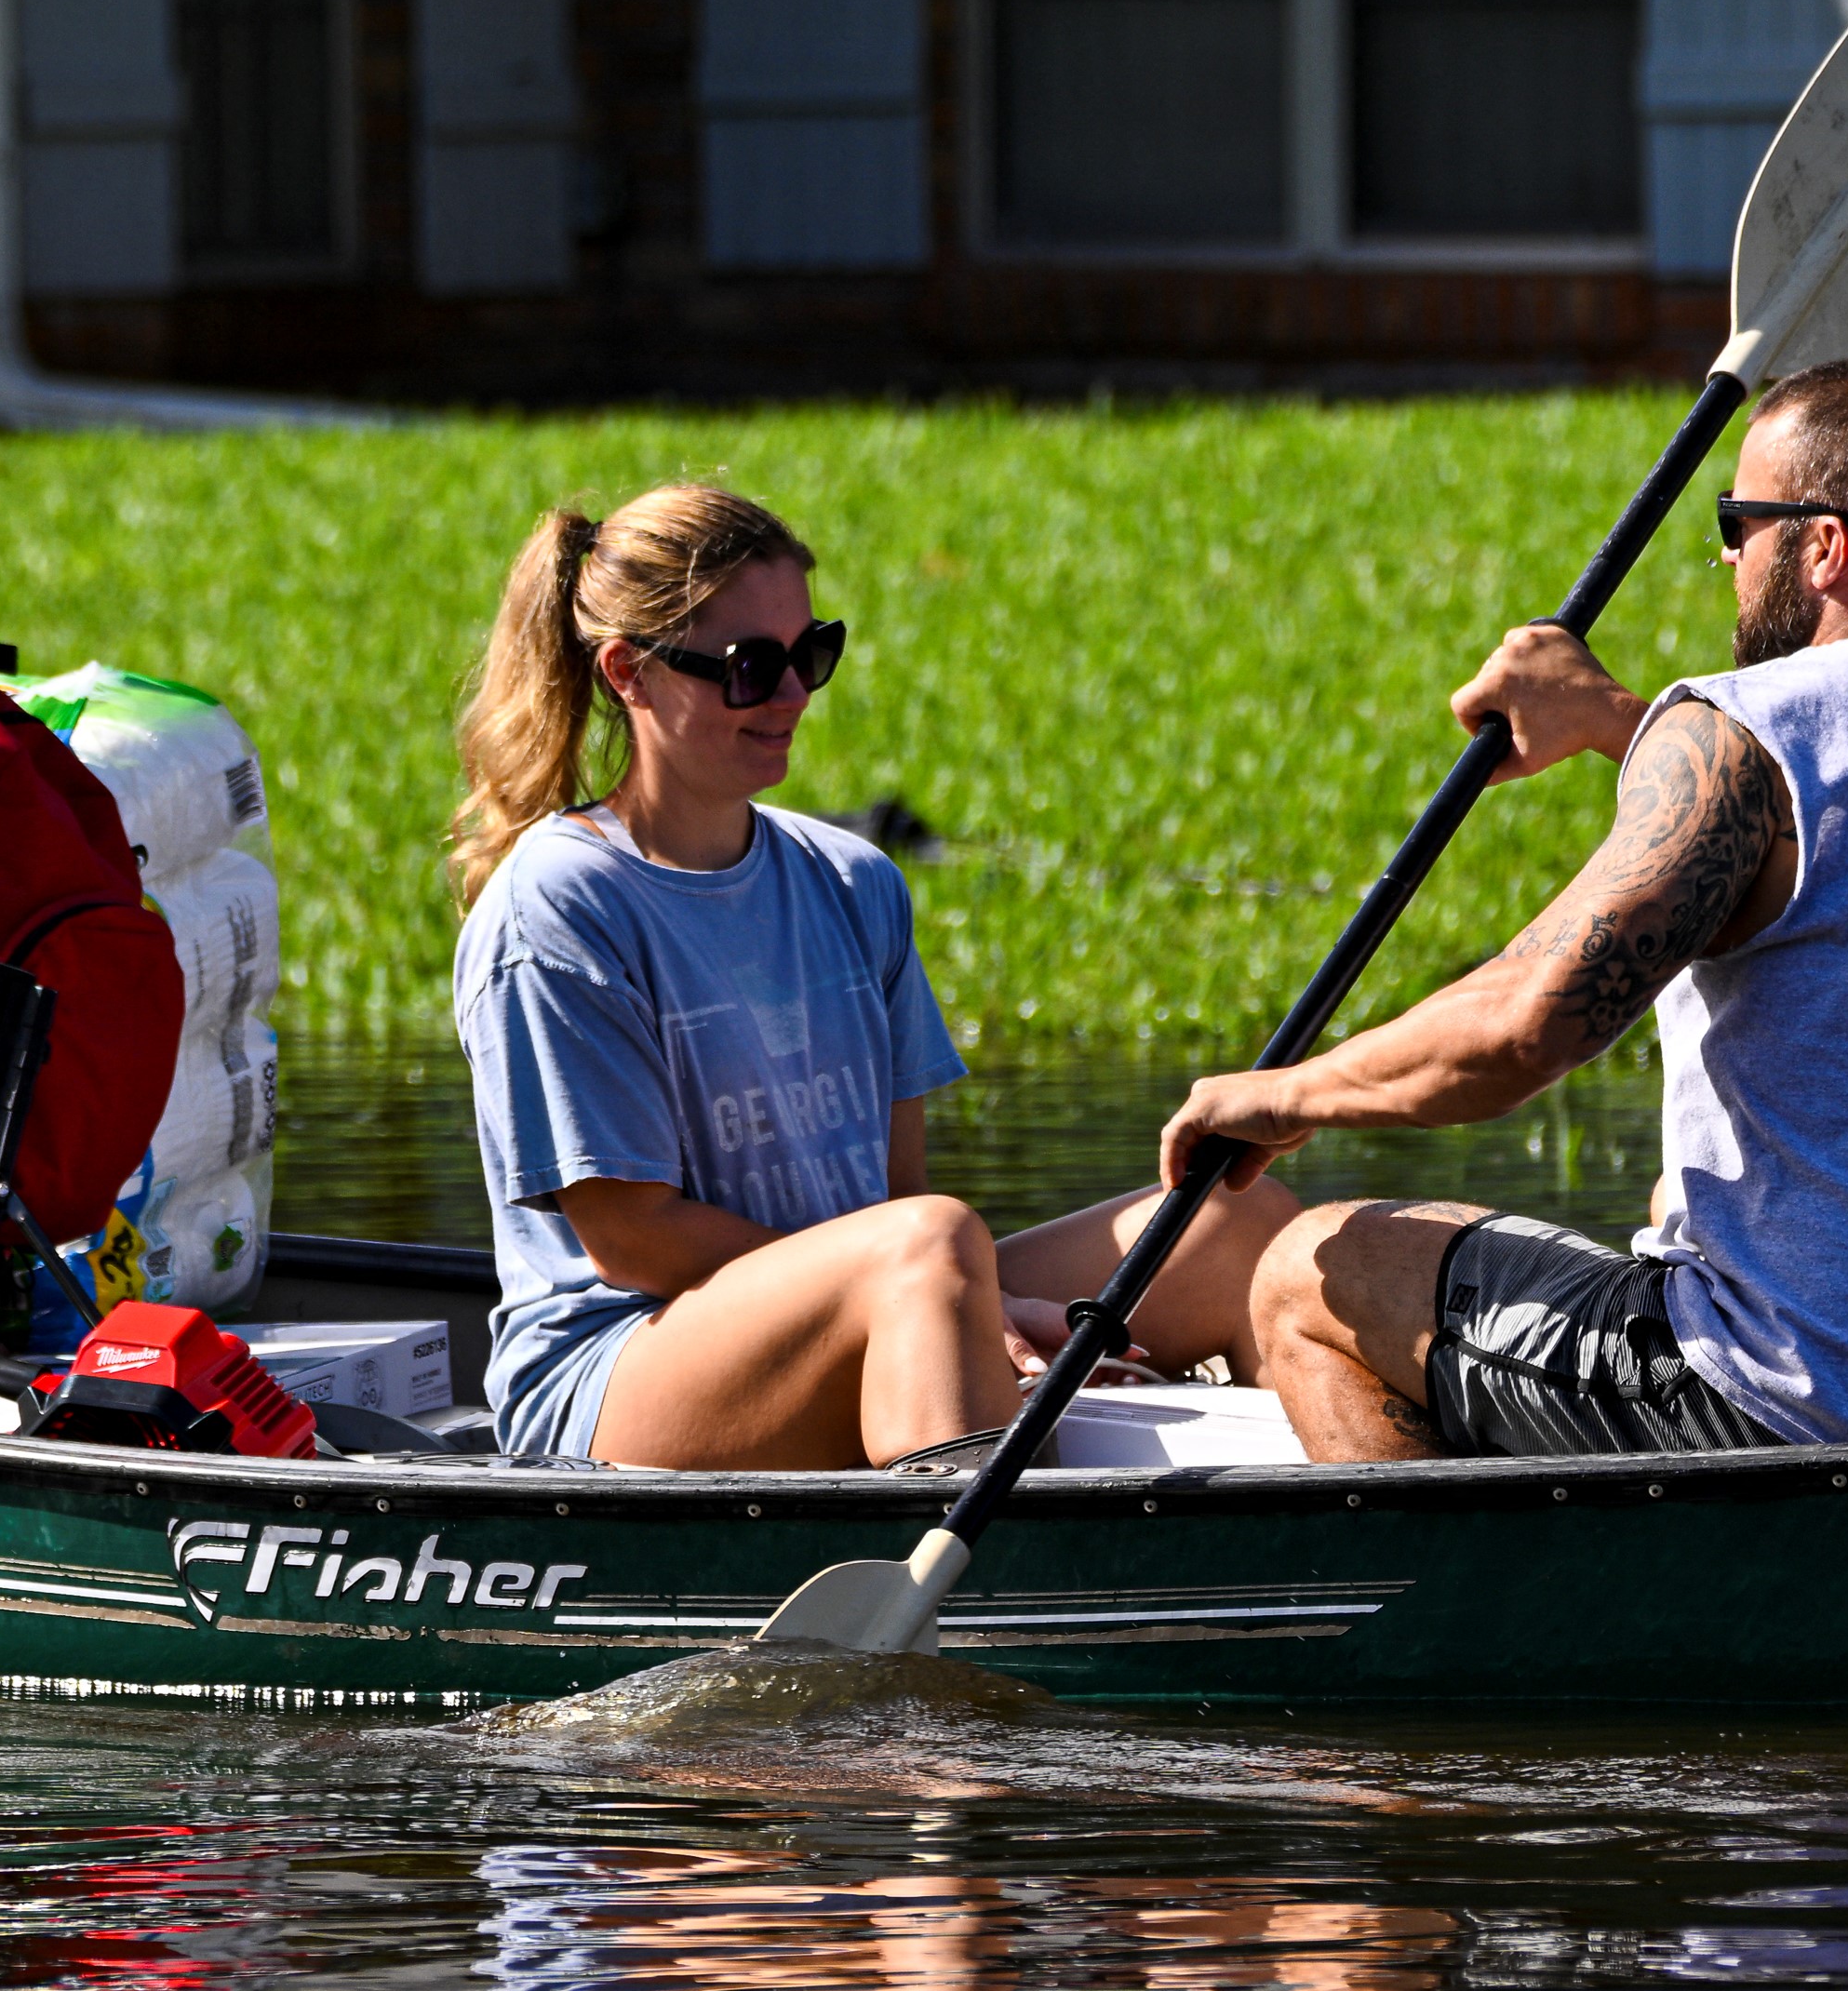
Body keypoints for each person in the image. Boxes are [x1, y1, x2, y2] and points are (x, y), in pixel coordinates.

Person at [1158, 358, 1848, 1463]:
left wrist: (1284, 1094)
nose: (1726, 556)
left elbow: (1520, 1030)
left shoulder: (1737, 725)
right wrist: (1612, 720)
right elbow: (1847, 812)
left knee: (1310, 1267)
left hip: (1787, 1401)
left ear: (1823, 545)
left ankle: (1450, 1631)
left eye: (1738, 521)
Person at [450, 483, 1293, 1471]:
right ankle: (988, 1590)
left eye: (811, 655)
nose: (792, 695)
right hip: (615, 1371)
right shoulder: (556, 906)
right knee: (928, 1247)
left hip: (882, 1288)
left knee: (1234, 1221)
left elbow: (895, 1194)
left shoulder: (854, 883)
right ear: (629, 673)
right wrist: (956, 1299)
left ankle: (1322, 1543)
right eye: (749, 668)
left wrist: (960, 1301)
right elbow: (633, 1240)